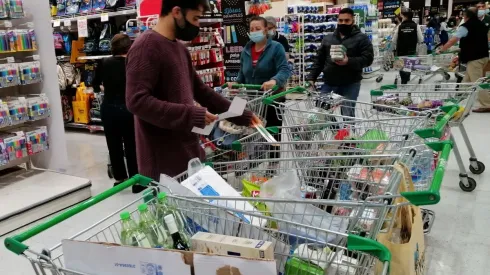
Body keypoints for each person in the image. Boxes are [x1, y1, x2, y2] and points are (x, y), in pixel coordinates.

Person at [125, 0, 261, 180]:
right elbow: (136, 101)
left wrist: (242, 114)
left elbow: (202, 91)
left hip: (187, 156)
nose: (197, 25)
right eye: (195, 18)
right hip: (163, 167)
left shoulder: (179, 48)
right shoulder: (146, 47)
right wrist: (191, 114)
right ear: (176, 11)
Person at [228, 16, 290, 154]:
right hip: (252, 99)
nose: (254, 31)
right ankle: (254, 163)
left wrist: (274, 81)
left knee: (272, 135)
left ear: (266, 30)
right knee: (252, 133)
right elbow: (242, 74)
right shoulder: (246, 50)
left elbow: (284, 69)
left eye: (258, 29)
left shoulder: (276, 47)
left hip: (273, 98)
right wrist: (236, 83)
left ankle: (272, 166)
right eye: (252, 29)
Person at [93, 34, 142, 193]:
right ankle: (136, 181)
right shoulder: (133, 63)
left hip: (109, 108)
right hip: (128, 109)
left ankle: (120, 179)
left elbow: (95, 84)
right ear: (129, 47)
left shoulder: (103, 62)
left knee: (113, 145)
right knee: (132, 145)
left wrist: (105, 88)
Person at [307, 8, 373, 117]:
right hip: (330, 83)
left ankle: (347, 134)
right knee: (321, 113)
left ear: (353, 21)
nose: (343, 23)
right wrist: (311, 77)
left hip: (351, 83)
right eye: (340, 20)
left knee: (347, 115)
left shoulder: (362, 38)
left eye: (347, 21)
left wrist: (348, 61)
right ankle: (336, 132)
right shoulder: (328, 39)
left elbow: (368, 59)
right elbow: (319, 60)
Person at [438, 8, 490, 113]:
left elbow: (453, 40)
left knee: (477, 83)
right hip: (484, 56)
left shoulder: (466, 27)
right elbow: (476, 40)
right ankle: (457, 100)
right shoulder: (482, 25)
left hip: (475, 59)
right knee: (466, 81)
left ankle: (487, 104)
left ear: (466, 16)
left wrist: (442, 49)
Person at [393, 10, 424, 84]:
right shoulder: (416, 26)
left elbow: (394, 40)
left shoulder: (400, 26)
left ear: (405, 17)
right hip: (411, 51)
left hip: (401, 51)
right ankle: (406, 80)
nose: (401, 18)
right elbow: (421, 40)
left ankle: (404, 81)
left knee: (401, 67)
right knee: (408, 67)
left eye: (402, 16)